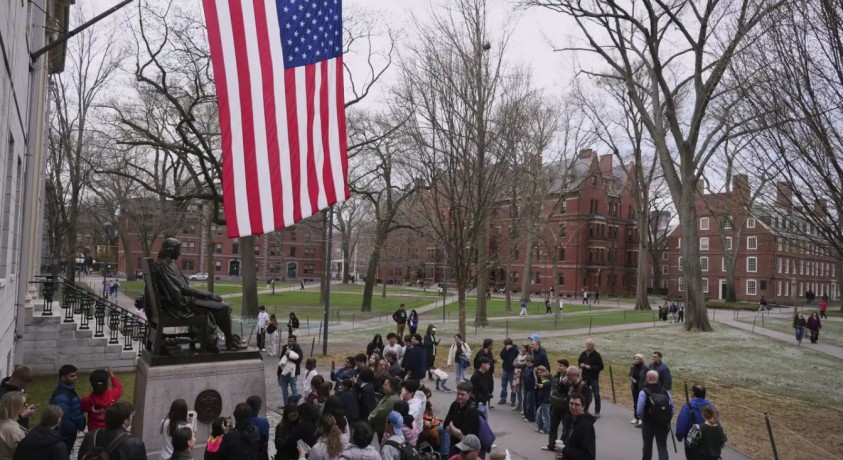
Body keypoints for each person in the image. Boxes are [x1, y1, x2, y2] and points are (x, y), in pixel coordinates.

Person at [152, 238, 244, 351]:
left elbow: (181, 288)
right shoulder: (165, 266)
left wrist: (207, 296)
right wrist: (209, 295)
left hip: (177, 303)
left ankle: (226, 339)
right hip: (180, 305)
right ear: (170, 250)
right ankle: (229, 341)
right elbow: (184, 289)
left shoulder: (164, 264)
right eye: (178, 250)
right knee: (224, 308)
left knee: (216, 305)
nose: (180, 253)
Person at [78, 401, 147, 460]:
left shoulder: (90, 436)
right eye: (132, 415)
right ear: (125, 421)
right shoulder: (135, 443)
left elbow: (81, 457)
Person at [637, 370, 674, 460]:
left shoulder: (644, 392)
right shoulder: (666, 392)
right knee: (662, 447)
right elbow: (672, 408)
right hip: (662, 424)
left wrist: (644, 418)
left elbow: (639, 410)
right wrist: (666, 419)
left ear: (649, 378)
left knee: (647, 447)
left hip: (648, 424)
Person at [675, 384, 719, 460]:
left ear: (693, 393)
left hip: (692, 445)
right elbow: (717, 424)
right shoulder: (711, 406)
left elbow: (682, 425)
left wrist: (679, 436)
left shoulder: (687, 407)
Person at [49, 364, 86, 453]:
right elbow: (62, 417)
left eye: (75, 375)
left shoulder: (68, 390)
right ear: (63, 378)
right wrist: (72, 429)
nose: (75, 378)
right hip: (66, 434)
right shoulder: (61, 395)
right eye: (72, 376)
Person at [553, 392, 596, 460]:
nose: (573, 407)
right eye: (571, 403)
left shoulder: (586, 426)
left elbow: (588, 456)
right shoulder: (571, 419)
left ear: (583, 406)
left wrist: (564, 449)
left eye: (577, 404)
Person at [443, 382, 481, 456]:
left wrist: (451, 426)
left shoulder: (472, 411)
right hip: (453, 446)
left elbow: (465, 437)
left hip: (467, 451)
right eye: (458, 393)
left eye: (462, 394)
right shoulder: (454, 405)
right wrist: (457, 432)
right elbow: (445, 426)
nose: (459, 396)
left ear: (469, 394)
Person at [81, 366, 123, 433]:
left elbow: (81, 410)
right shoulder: (113, 395)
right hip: (110, 430)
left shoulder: (86, 400)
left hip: (94, 432)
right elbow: (118, 388)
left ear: (92, 385)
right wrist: (111, 374)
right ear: (107, 383)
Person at [542, 359, 570, 451]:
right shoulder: (556, 376)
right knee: (553, 427)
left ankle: (562, 447)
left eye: (561, 365)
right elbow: (553, 389)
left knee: (566, 429)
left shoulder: (569, 378)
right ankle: (551, 445)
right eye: (558, 365)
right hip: (555, 405)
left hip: (565, 407)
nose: (558, 367)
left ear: (566, 367)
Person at [577, 339, 604, 418]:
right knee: (584, 394)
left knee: (596, 395)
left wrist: (591, 367)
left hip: (594, 378)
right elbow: (579, 361)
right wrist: (581, 365)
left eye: (590, 344)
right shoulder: (583, 353)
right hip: (585, 377)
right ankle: (585, 409)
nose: (588, 346)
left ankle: (597, 411)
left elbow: (601, 367)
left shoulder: (596, 355)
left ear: (593, 345)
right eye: (587, 344)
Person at [368, 375, 400, 441]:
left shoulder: (392, 400)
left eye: (385, 385)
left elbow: (381, 412)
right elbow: (378, 406)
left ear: (392, 387)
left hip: (383, 428)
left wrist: (371, 417)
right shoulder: (388, 395)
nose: (383, 386)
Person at [0, 393, 28, 459]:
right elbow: (25, 452)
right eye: (24, 404)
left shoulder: (3, 420)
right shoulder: (12, 430)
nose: (27, 405)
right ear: (15, 407)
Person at [278, 335, 304, 405]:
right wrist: (279, 372)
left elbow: (299, 360)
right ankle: (286, 404)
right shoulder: (285, 348)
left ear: (295, 341)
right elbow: (281, 359)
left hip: (293, 373)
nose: (290, 342)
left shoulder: (298, 349)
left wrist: (289, 356)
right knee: (284, 389)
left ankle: (295, 404)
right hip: (284, 372)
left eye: (291, 341)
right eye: (289, 341)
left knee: (294, 388)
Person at [473, 339, 496, 408]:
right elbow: (479, 360)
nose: (492, 346)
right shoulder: (482, 352)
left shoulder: (489, 352)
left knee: (489, 387)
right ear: (488, 345)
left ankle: (487, 402)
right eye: (492, 344)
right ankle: (484, 402)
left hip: (488, 373)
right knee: (485, 387)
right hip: (484, 373)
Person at [246, 396, 270, 460]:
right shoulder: (263, 422)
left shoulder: (242, 422)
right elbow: (266, 438)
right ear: (258, 408)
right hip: (260, 453)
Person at [628, 354, 646, 426]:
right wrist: (632, 379)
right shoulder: (632, 367)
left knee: (641, 403)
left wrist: (644, 384)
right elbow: (630, 375)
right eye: (635, 359)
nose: (636, 360)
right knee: (635, 402)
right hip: (634, 387)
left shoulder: (645, 368)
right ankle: (636, 417)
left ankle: (641, 418)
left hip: (642, 388)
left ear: (641, 360)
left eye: (637, 359)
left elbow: (647, 378)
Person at [535, 366, 551, 435]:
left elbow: (543, 385)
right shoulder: (545, 382)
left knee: (545, 415)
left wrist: (538, 384)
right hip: (543, 402)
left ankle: (546, 429)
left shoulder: (547, 383)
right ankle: (540, 427)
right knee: (539, 413)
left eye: (542, 377)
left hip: (546, 402)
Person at [521, 356, 536, 423]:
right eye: (527, 362)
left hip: (531, 388)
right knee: (525, 402)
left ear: (532, 363)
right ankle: (526, 414)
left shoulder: (533, 370)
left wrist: (534, 386)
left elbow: (535, 380)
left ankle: (530, 417)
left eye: (529, 362)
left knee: (529, 403)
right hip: (526, 387)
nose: (527, 363)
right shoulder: (525, 369)